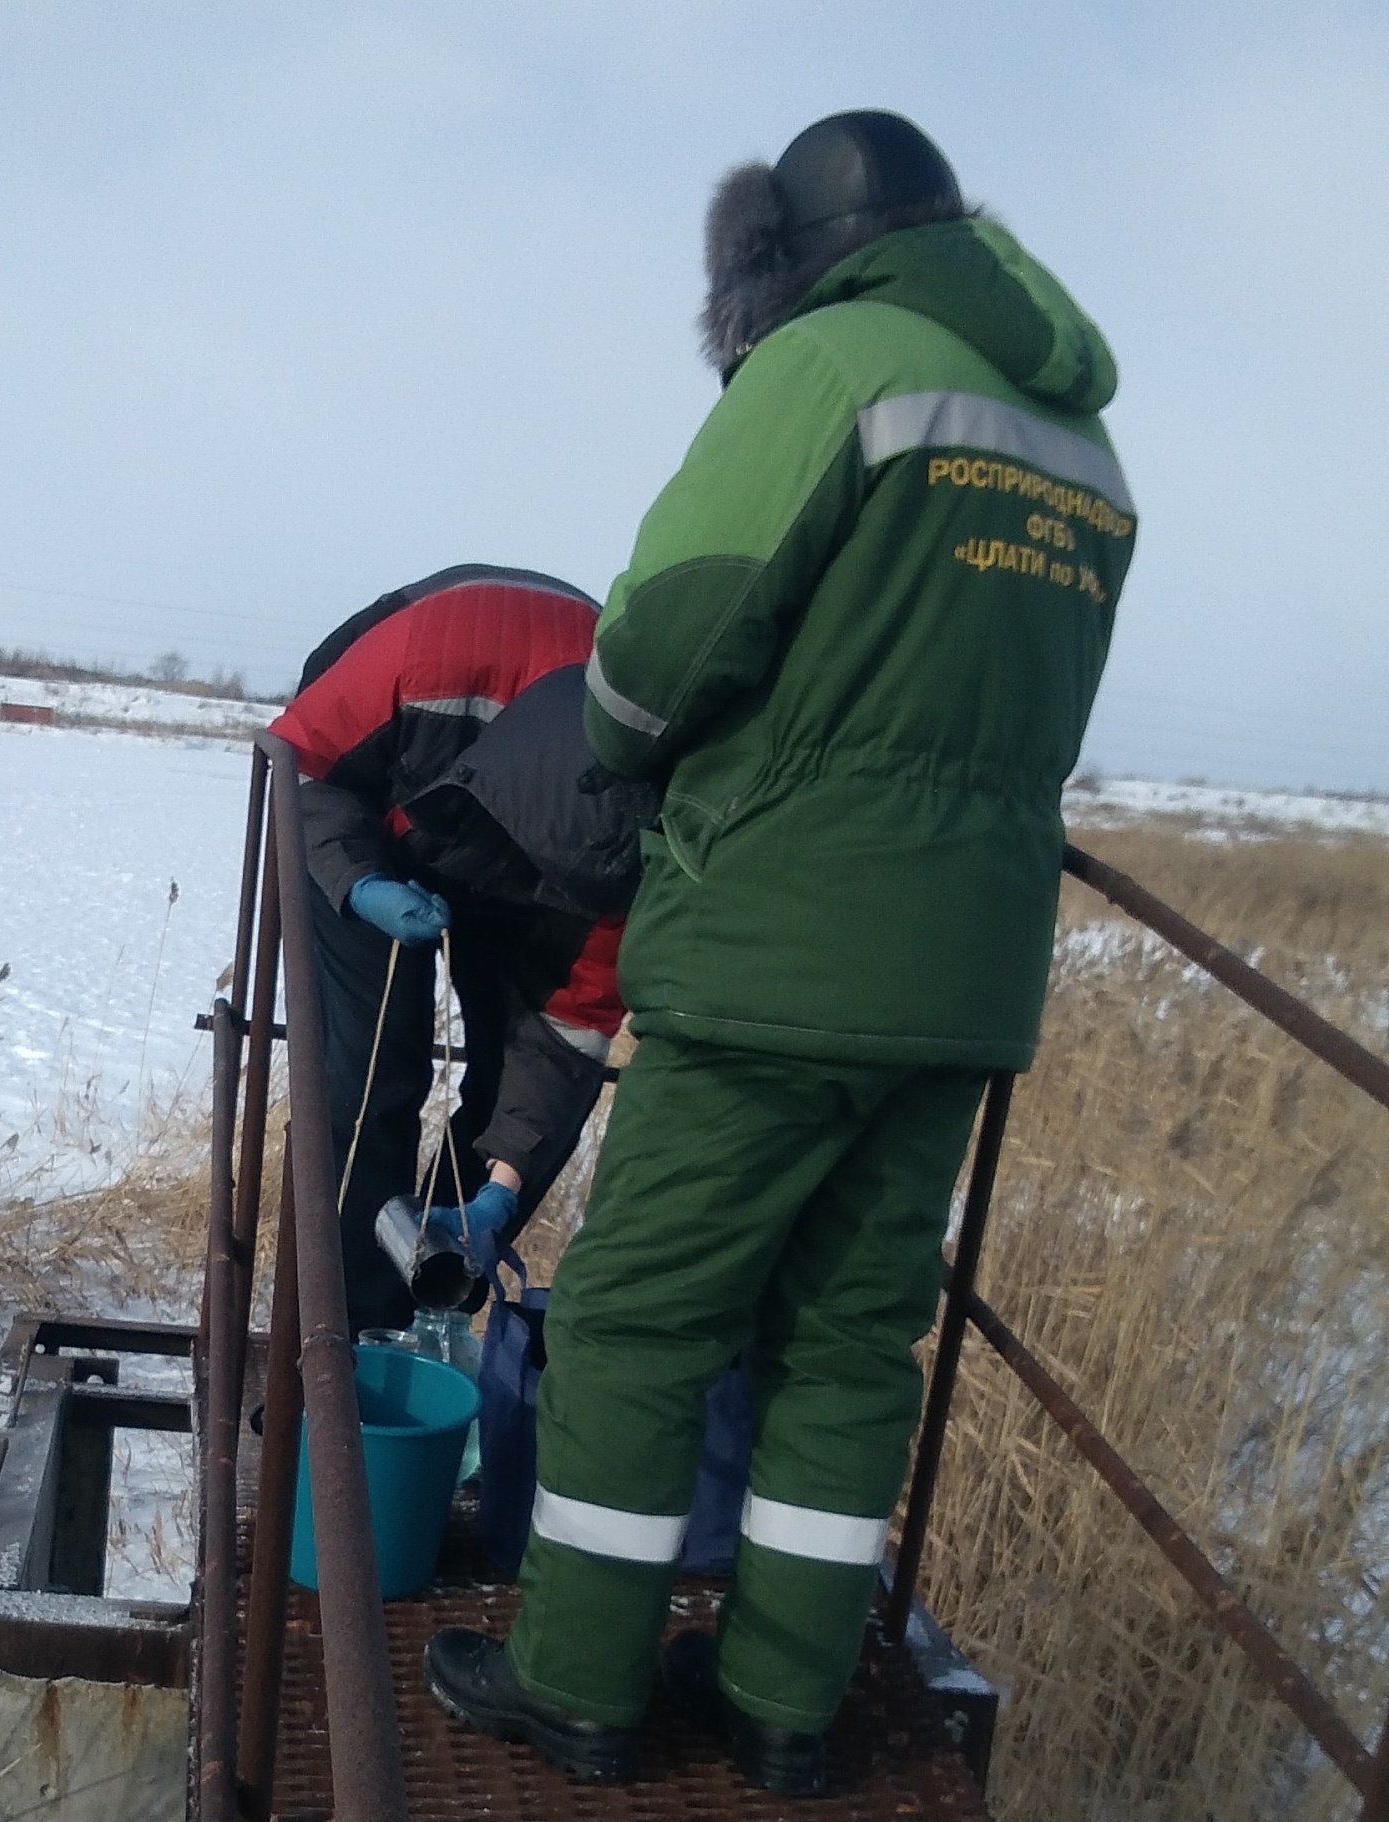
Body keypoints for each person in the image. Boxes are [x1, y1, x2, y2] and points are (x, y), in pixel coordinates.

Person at [424, 111, 1137, 1793]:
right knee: (845, 1334)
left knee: (637, 1318)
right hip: (964, 981)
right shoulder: (1084, 447)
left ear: (782, 257)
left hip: (774, 953)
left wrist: (613, 736)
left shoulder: (833, 368)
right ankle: (780, 1702)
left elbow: (658, 647)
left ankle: (579, 1679)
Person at [269, 563, 657, 1337]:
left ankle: (432, 1309)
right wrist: (360, 882)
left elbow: (565, 1039)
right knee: (378, 1070)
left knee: (514, 1104)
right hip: (363, 806)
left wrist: (503, 1186)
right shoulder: (427, 659)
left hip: (530, 861)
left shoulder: (623, 859)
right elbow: (301, 767)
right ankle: (339, 1340)